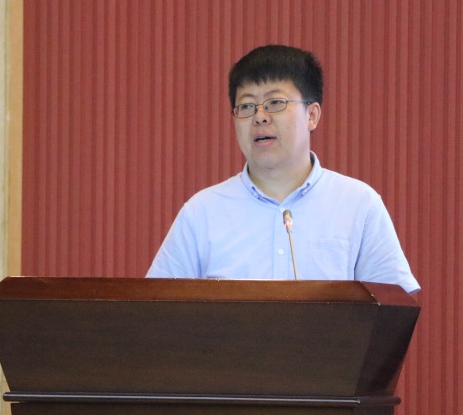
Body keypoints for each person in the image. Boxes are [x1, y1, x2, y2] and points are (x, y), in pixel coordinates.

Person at [147, 44, 419, 293]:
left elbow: (394, 306)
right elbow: (158, 307)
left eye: (275, 103)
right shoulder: (202, 212)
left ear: (312, 115)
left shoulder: (358, 204)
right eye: (246, 106)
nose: (259, 117)